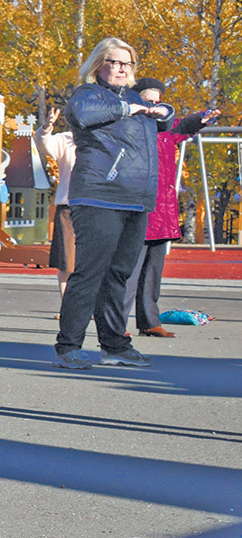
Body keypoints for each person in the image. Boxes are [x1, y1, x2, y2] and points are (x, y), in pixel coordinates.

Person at [52, 38, 171, 370]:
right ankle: (69, 347)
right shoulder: (86, 95)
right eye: (115, 62)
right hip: (98, 195)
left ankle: (114, 345)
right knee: (91, 272)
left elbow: (167, 121)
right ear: (98, 64)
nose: (121, 68)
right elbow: (80, 114)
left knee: (119, 274)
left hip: (135, 199)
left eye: (127, 63)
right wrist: (127, 108)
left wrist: (163, 110)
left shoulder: (136, 98)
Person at [124, 77, 219, 338]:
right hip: (138, 208)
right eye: (147, 100)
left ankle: (149, 323)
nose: (153, 106)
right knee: (128, 272)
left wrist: (204, 117)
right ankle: (116, 326)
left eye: (157, 101)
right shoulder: (127, 126)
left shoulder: (167, 127)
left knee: (152, 274)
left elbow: (185, 125)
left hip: (163, 212)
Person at [34, 107, 78, 300]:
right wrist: (47, 127)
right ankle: (66, 304)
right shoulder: (66, 140)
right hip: (68, 206)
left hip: (97, 207)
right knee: (67, 259)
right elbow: (43, 144)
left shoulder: (103, 140)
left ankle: (91, 305)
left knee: (93, 260)